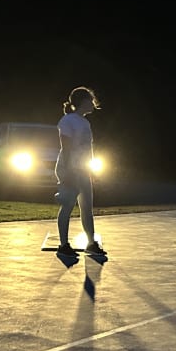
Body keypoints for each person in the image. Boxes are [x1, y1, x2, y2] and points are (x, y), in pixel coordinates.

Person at [55, 86, 106, 257]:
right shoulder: (67, 120)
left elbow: (87, 150)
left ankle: (91, 243)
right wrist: (68, 172)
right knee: (68, 205)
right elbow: (66, 148)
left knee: (86, 207)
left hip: (83, 169)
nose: (93, 103)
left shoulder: (85, 122)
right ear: (83, 101)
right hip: (70, 168)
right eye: (90, 100)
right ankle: (63, 245)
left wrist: (91, 170)